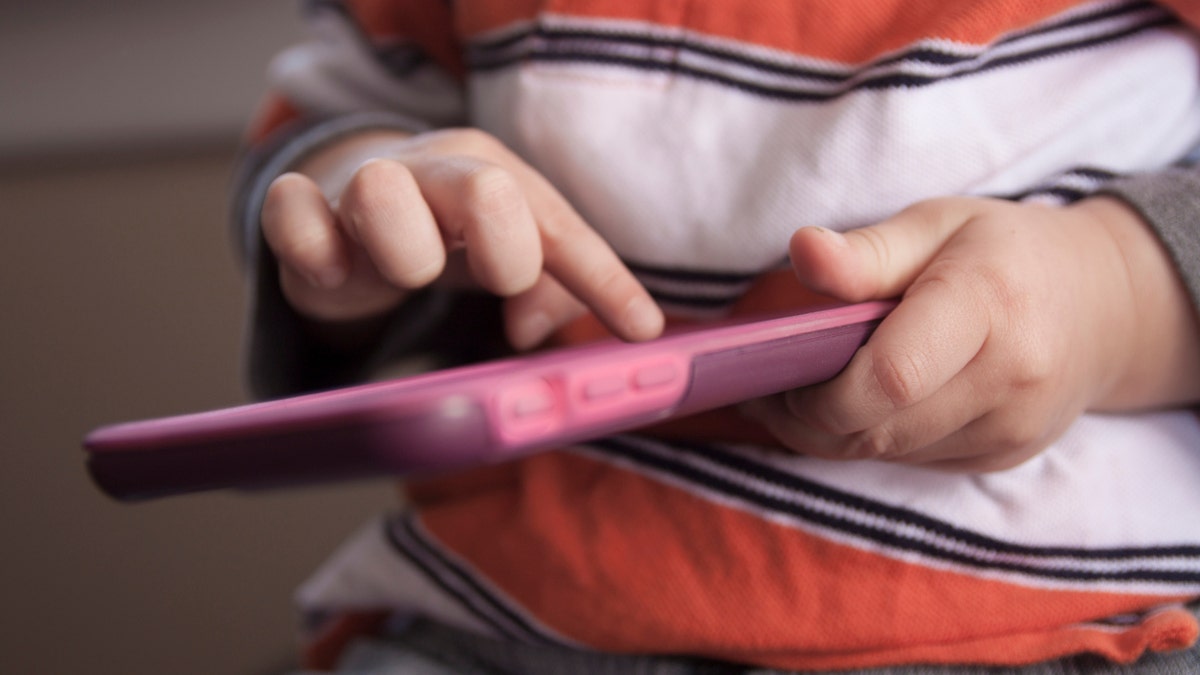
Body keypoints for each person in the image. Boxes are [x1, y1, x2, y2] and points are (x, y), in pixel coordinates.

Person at [231, 1, 1200, 672]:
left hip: (1062, 631)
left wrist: (1113, 292)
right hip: (502, 608)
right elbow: (335, 124)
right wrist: (374, 201)